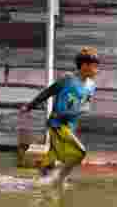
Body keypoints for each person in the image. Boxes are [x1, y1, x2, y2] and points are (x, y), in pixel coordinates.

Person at [20, 46, 99, 187]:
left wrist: (82, 110)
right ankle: (60, 179)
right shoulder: (68, 79)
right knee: (80, 152)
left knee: (53, 159)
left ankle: (43, 176)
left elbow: (87, 104)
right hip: (57, 123)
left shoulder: (91, 85)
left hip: (70, 125)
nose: (96, 70)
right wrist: (29, 106)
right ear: (84, 66)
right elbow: (48, 92)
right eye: (94, 67)